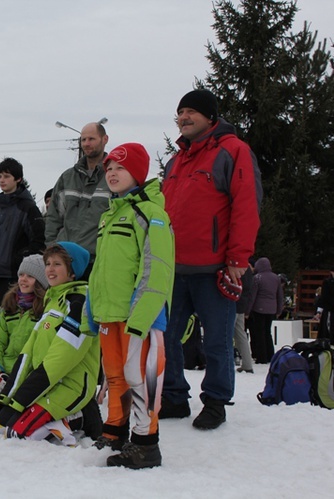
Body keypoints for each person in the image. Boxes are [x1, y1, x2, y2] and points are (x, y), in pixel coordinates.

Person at [160, 89, 262, 430]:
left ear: (210, 117)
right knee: (167, 336)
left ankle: (216, 401)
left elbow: (247, 206)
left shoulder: (233, 151)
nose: (184, 118)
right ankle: (174, 396)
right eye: (180, 113)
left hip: (215, 267)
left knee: (217, 338)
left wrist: (237, 257)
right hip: (173, 268)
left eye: (191, 112)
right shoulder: (176, 161)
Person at [86, 143, 174, 469]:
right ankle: (115, 429)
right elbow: (100, 270)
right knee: (114, 375)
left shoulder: (150, 213)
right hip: (109, 314)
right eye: (109, 168)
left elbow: (157, 266)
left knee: (141, 377)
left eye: (119, 168)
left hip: (140, 317)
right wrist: (92, 310)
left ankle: (146, 443)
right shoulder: (110, 215)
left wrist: (144, 315)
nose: (111, 173)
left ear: (137, 173)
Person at [0, 242, 100, 448]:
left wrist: (24, 398)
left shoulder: (79, 303)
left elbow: (59, 361)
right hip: (48, 385)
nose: (50, 269)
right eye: (48, 263)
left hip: (69, 385)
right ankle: (66, 417)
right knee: (0, 423)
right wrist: (11, 395)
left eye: (57, 264)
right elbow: (28, 352)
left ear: (72, 272)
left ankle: (80, 417)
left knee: (17, 433)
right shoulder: (53, 300)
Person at [0, 254, 48, 415]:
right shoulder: (9, 305)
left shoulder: (46, 310)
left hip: (28, 376)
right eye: (21, 275)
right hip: (4, 372)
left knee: (15, 412)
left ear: (40, 281)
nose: (23, 280)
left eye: (30, 276)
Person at [44, 121, 111, 279]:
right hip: (64, 262)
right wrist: (53, 249)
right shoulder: (67, 178)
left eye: (91, 139)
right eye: (83, 140)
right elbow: (53, 218)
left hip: (96, 261)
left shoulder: (112, 177)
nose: (86, 144)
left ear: (105, 139)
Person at [0, 158, 45, 309]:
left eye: (7, 176)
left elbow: (39, 241)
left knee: (9, 318)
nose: (2, 180)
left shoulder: (28, 208)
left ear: (18, 179)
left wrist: (18, 259)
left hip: (12, 276)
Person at [247, 258, 284, 364]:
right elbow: (279, 295)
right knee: (268, 332)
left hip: (259, 309)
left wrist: (247, 311)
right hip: (272, 309)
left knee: (259, 333)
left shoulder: (257, 278)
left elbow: (252, 296)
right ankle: (270, 355)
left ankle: (261, 357)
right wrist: (279, 309)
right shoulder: (276, 278)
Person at [234, 264, 255, 373]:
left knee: (226, 335)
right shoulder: (248, 272)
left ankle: (225, 363)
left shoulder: (236, 267)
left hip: (232, 303)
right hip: (242, 306)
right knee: (241, 335)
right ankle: (247, 364)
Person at [314, 269, 334, 341]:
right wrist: (319, 311)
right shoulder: (327, 282)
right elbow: (324, 298)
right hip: (330, 309)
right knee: (329, 329)